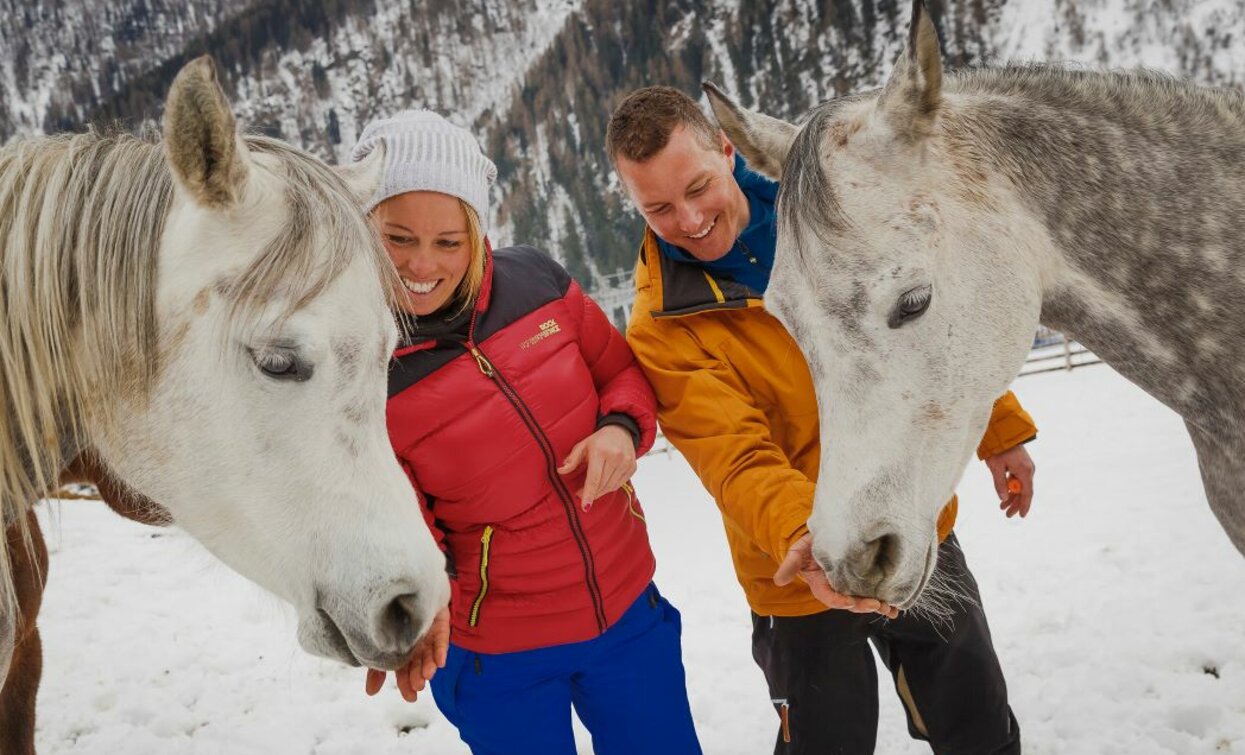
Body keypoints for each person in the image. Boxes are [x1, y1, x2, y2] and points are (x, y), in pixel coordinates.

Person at [608, 86, 1038, 754]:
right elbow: (737, 457)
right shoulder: (662, 327)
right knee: (827, 743)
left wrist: (998, 427)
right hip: (800, 569)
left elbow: (920, 324)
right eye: (657, 207)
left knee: (977, 721)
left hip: (908, 519)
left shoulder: (830, 214)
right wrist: (808, 536)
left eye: (696, 187)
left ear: (728, 150)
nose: (688, 219)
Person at [354, 110, 702, 755]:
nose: (422, 265)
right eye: (398, 238)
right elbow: (403, 529)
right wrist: (408, 618)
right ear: (364, 225)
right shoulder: (362, 368)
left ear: (476, 231)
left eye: (448, 242)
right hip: (496, 654)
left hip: (628, 616)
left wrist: (622, 430)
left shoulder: (538, 282)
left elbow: (620, 373)